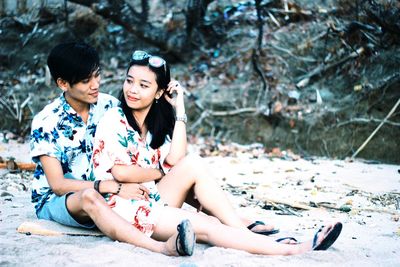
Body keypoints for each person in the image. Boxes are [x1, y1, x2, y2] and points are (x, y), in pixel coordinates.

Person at [91, 50, 343, 255]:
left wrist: (179, 107)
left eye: (143, 85)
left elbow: (177, 159)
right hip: (123, 207)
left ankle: (242, 231)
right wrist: (160, 171)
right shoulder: (114, 118)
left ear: (159, 92)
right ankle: (297, 249)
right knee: (207, 226)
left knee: (194, 164)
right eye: (129, 81)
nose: (132, 90)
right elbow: (121, 173)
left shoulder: (153, 121)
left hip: (151, 197)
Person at [30, 42, 195, 256]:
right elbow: (59, 185)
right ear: (63, 83)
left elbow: (140, 153)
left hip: (110, 190)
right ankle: (162, 248)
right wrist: (112, 187)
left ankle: (239, 222)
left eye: (97, 76)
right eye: (85, 80)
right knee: (90, 197)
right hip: (62, 199)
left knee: (187, 174)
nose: (95, 85)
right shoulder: (46, 121)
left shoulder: (108, 105)